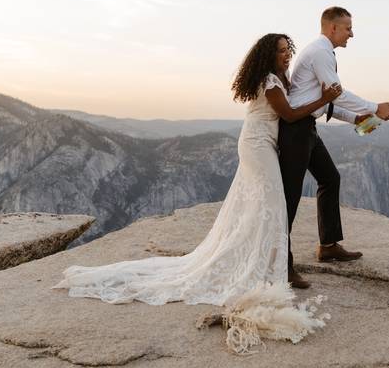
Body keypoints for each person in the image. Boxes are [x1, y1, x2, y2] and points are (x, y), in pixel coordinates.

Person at [53, 33, 341, 310]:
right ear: (269, 55)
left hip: (263, 143)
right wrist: (323, 98)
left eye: (287, 49)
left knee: (266, 207)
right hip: (257, 145)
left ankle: (272, 263)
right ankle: (277, 267)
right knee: (274, 205)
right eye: (280, 50)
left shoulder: (281, 79)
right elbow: (289, 115)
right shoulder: (269, 81)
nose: (286, 54)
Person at [278, 7, 389, 289]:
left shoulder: (322, 53)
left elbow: (327, 100)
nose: (351, 33)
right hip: (295, 131)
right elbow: (336, 91)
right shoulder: (320, 52)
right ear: (332, 28)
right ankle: (282, 266)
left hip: (307, 129)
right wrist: (373, 107)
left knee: (330, 178)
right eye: (347, 28)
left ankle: (328, 245)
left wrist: (358, 117)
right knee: (289, 199)